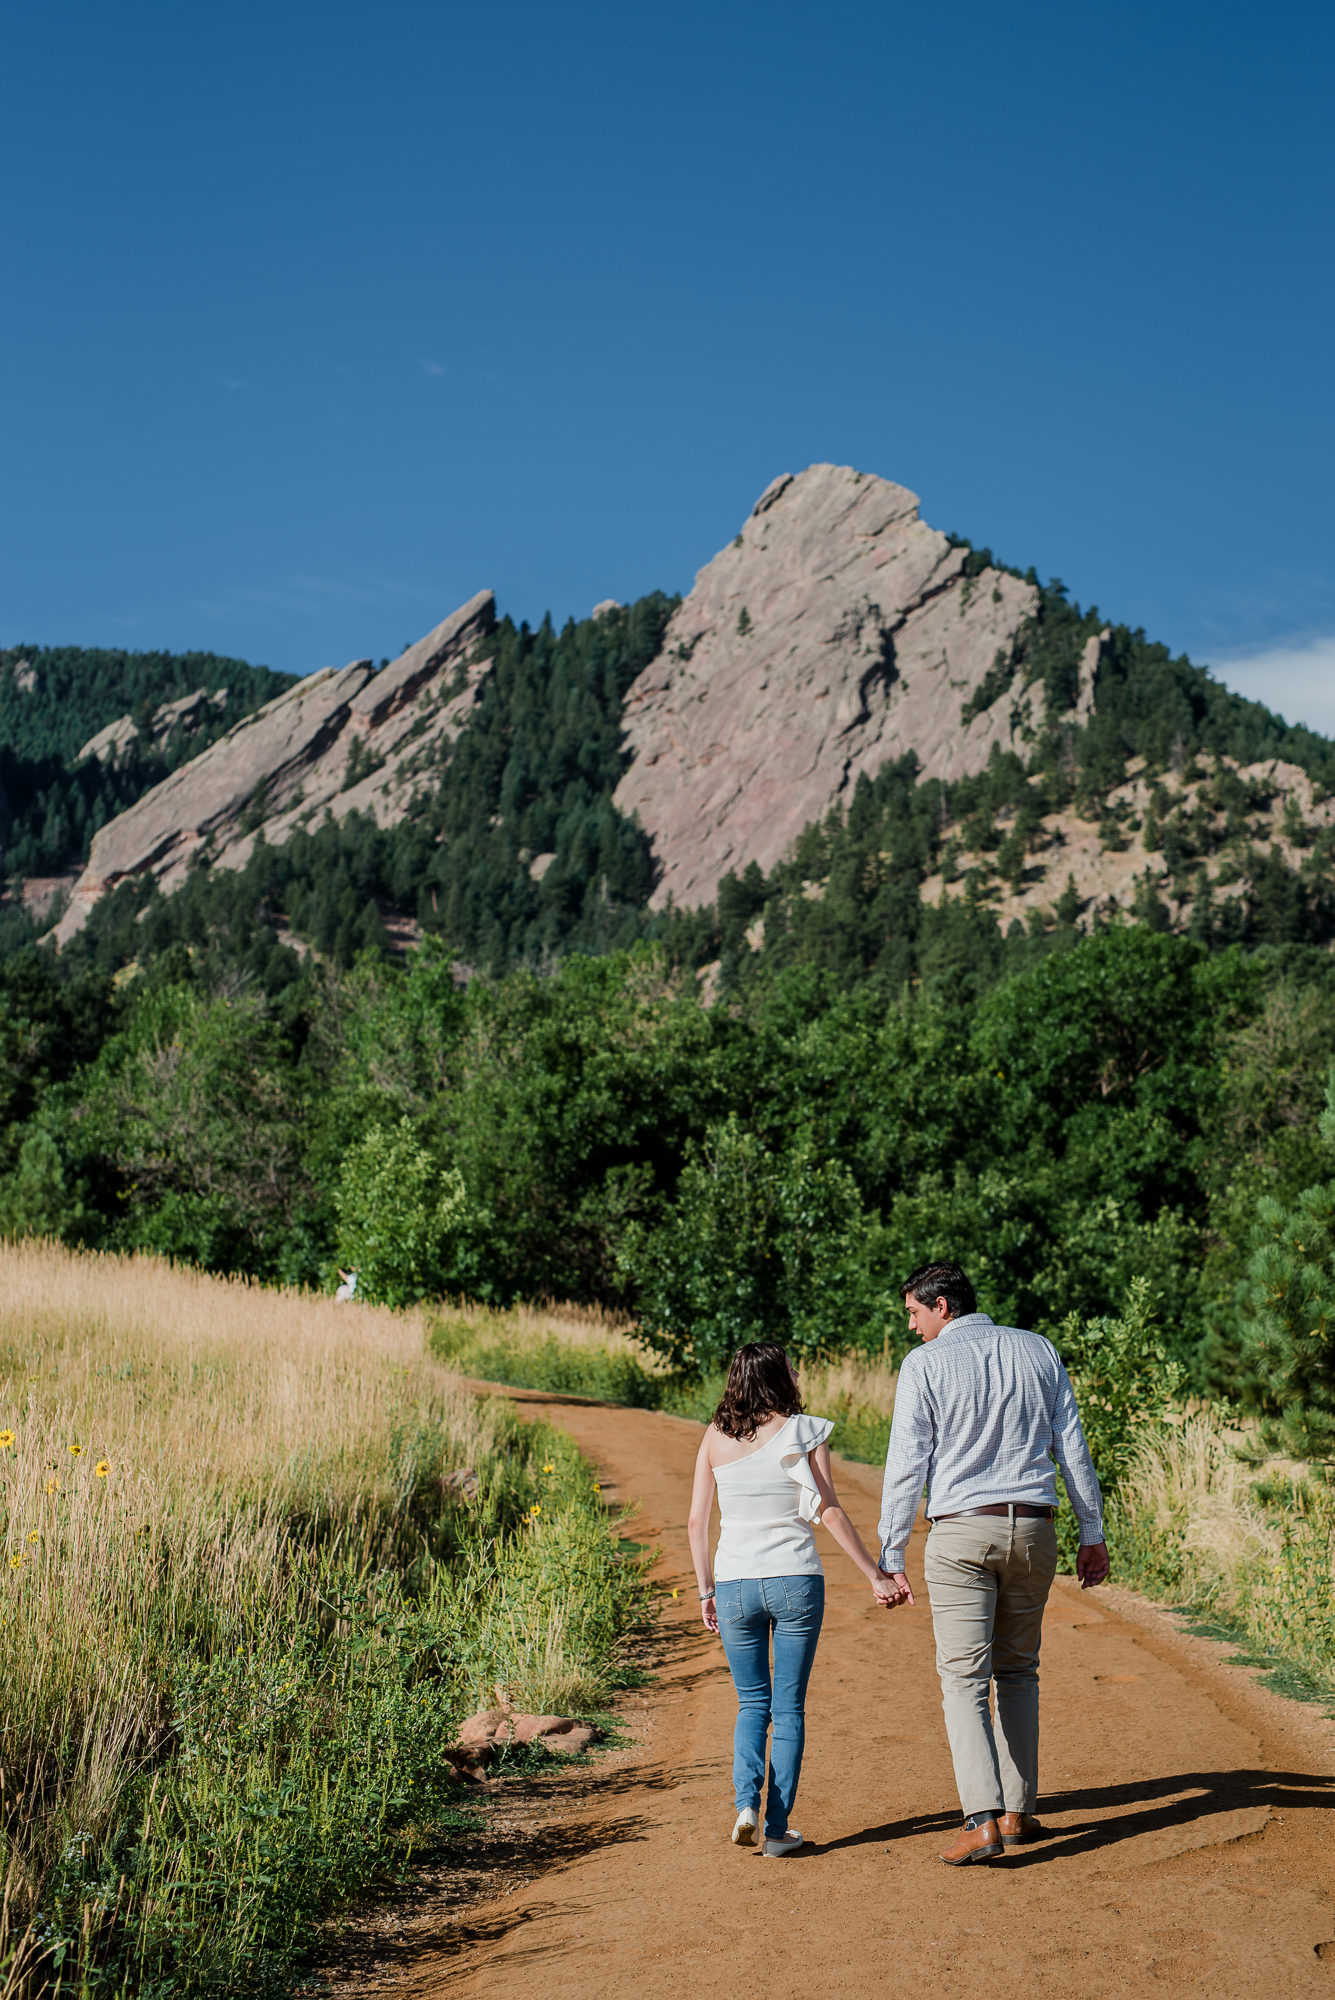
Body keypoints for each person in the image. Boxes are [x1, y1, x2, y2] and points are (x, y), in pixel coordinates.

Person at [877, 1261, 1109, 1867]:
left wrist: (890, 1549)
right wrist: (1094, 1530)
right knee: (1019, 1670)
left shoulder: (925, 1365)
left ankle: (980, 1819)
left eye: (914, 1313)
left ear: (942, 1306)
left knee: (963, 1678)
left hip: (961, 1532)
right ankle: (1018, 1812)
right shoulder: (1037, 1350)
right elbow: (1072, 1447)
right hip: (1035, 1527)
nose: (912, 1327)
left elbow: (908, 1463)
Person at [688, 1341, 903, 1857]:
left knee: (751, 1703)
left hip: (735, 1583)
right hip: (794, 1581)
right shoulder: (804, 1430)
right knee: (787, 1709)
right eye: (790, 1365)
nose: (798, 1370)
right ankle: (778, 1830)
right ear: (776, 1376)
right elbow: (827, 1512)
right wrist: (875, 1574)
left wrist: (705, 1590)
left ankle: (745, 1805)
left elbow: (697, 1522)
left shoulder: (715, 1437)